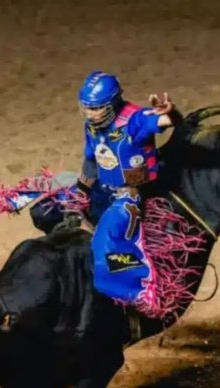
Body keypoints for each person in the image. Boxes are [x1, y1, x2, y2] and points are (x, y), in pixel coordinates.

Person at [74, 70, 179, 308]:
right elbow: (91, 160)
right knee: (47, 206)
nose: (90, 114)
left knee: (104, 243)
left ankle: (141, 292)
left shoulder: (134, 121)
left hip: (129, 197)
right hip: (103, 186)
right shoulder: (92, 127)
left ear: (112, 104)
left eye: (96, 108)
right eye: (87, 108)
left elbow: (164, 121)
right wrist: (79, 192)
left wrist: (169, 113)